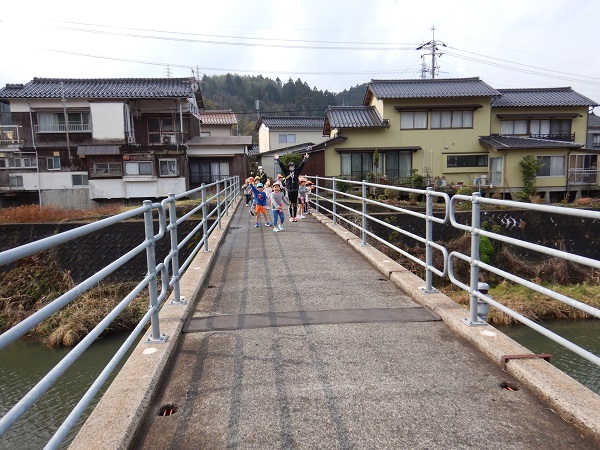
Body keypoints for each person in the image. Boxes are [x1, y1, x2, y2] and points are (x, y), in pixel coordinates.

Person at [275, 153, 309, 222]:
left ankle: (295, 216)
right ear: (288, 166)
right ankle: (291, 216)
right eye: (290, 166)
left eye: (292, 166)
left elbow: (302, 165)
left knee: (295, 204)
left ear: (294, 166)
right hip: (289, 189)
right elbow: (281, 166)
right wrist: (278, 159)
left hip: (296, 189)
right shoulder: (286, 172)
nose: (291, 167)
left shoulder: (297, 171)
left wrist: (305, 159)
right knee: (290, 204)